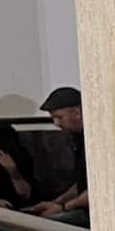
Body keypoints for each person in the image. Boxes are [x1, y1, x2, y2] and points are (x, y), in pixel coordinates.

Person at [30, 86, 89, 223]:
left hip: (95, 213)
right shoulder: (78, 138)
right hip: (82, 207)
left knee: (46, 223)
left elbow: (100, 189)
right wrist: (56, 202)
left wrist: (63, 207)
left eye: (59, 117)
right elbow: (82, 183)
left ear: (77, 112)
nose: (56, 123)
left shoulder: (97, 139)